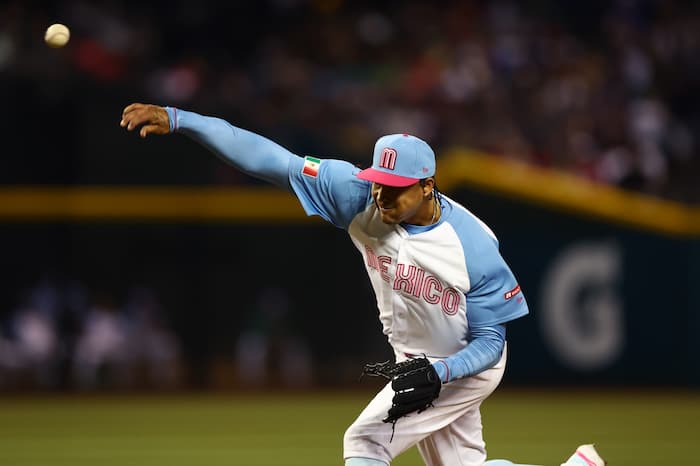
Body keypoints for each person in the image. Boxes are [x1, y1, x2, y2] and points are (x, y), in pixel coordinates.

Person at [119, 103, 606, 466]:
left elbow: (491, 342)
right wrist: (183, 119)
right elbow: (269, 159)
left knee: (365, 441)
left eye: (394, 188)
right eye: (377, 181)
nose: (381, 194)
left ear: (427, 187)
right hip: (415, 357)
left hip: (464, 362)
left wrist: (440, 373)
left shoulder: (473, 247)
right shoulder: (356, 195)